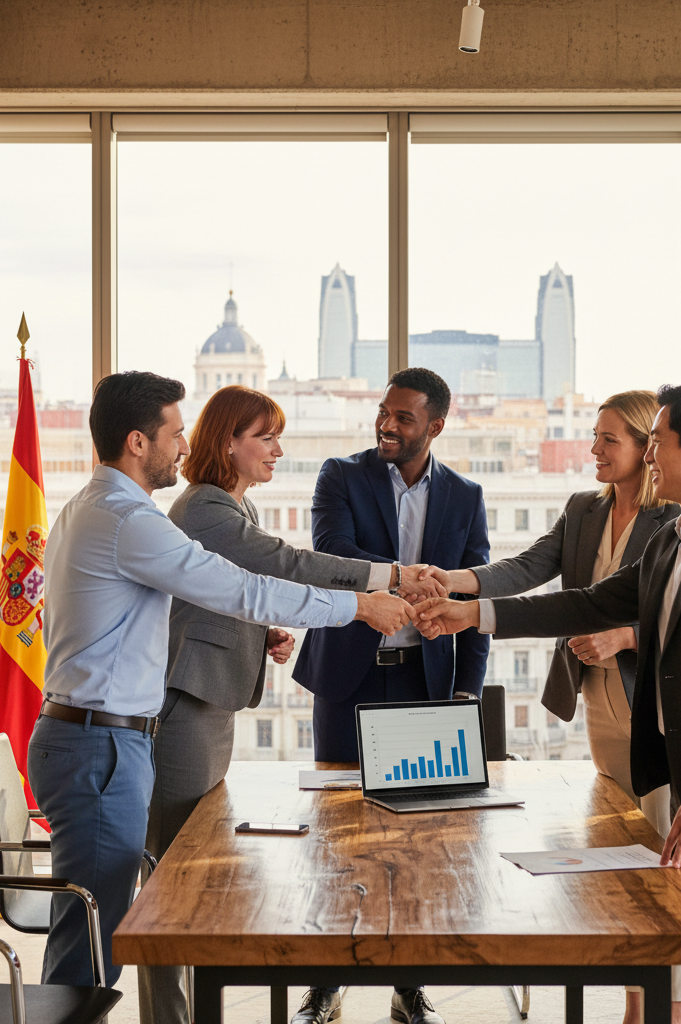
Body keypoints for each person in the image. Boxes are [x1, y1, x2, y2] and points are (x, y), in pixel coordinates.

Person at [416, 382, 681, 1024]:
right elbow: (583, 602)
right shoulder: (674, 541)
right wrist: (473, 615)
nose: (651, 454)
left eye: (657, 441)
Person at [27, 371, 414, 992]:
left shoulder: (89, 507)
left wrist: (262, 633)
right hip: (99, 745)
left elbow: (171, 612)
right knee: (93, 948)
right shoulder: (131, 520)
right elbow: (241, 586)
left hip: (93, 737)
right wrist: (361, 606)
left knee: (92, 932)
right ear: (136, 442)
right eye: (175, 434)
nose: (185, 446)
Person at [139, 385, 444, 1024]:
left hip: (207, 705)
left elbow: (233, 596)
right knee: (173, 883)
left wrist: (259, 635)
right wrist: (385, 580)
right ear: (229, 442)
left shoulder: (229, 507)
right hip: (186, 708)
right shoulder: (207, 510)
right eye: (266, 437)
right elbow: (284, 565)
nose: (279, 450)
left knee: (191, 877)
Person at [417, 389, 681, 1024]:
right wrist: (453, 581)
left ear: (647, 446)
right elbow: (526, 570)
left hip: (655, 706)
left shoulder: (673, 520)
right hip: (599, 703)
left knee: (662, 868)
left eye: (608, 438)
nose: (594, 448)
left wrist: (623, 637)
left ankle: (671, 1006)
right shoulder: (583, 510)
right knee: (620, 856)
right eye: (594, 436)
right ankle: (635, 999)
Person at [291, 367, 490, 1024]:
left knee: (415, 845)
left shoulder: (465, 495)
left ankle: (408, 985)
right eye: (384, 412)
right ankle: (325, 984)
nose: (387, 425)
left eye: (404, 418)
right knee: (336, 834)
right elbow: (334, 555)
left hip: (423, 684)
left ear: (435, 425)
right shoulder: (338, 477)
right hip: (346, 678)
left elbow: (476, 598)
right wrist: (408, 583)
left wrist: (466, 690)